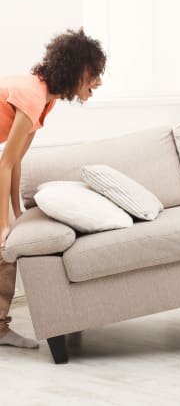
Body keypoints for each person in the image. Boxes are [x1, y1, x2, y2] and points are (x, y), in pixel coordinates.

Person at [0, 28, 105, 349]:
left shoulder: (46, 98)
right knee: (2, 244)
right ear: (76, 70)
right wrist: (4, 223)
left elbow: (16, 158)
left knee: (5, 248)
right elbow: (4, 163)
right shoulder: (33, 96)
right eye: (95, 74)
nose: (98, 82)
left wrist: (17, 212)